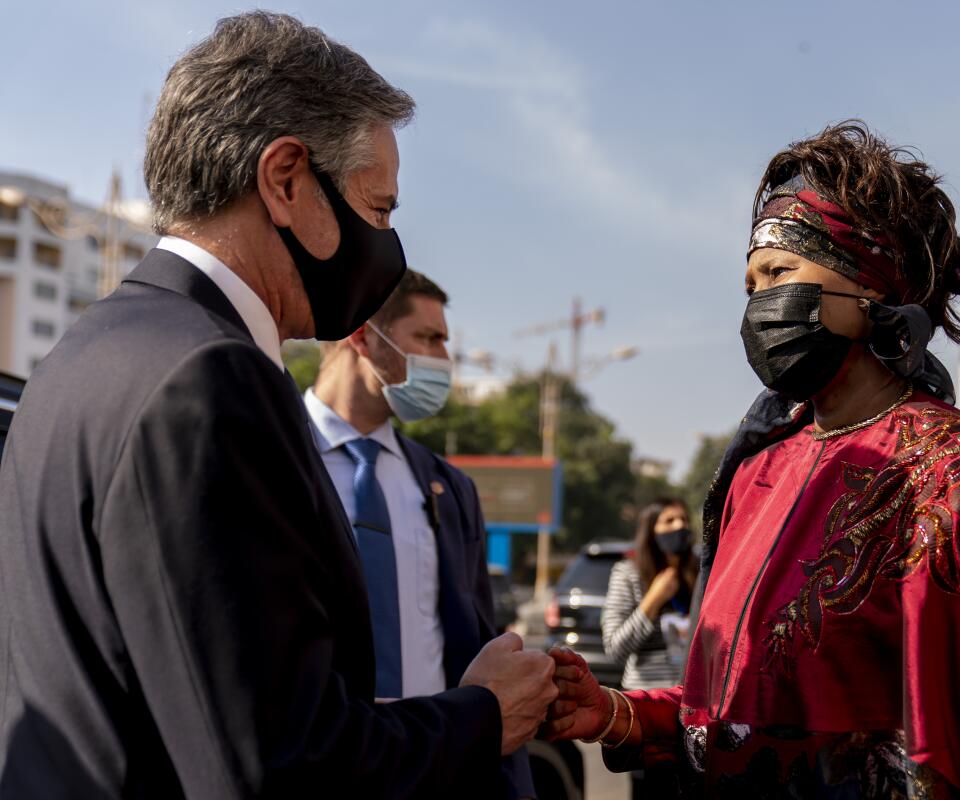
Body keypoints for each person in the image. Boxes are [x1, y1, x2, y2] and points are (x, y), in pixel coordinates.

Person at [0, 13, 556, 798]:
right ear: (287, 179)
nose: (387, 245)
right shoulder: (213, 379)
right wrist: (483, 715)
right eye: (379, 209)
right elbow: (279, 764)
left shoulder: (84, 354)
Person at [541, 121, 960, 797]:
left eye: (779, 273)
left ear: (872, 290)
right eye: (750, 285)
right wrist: (619, 714)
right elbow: (733, 718)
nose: (758, 305)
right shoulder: (755, 473)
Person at [305, 268, 535, 798]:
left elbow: (474, 642)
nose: (444, 361)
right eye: (428, 338)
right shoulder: (272, 456)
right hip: (317, 768)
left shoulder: (448, 488)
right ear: (362, 334)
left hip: (435, 768)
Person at [603, 498, 698, 690]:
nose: (680, 525)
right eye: (669, 521)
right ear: (650, 531)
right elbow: (615, 650)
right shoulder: (628, 574)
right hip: (646, 697)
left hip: (692, 696)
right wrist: (653, 600)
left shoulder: (701, 572)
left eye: (684, 519)